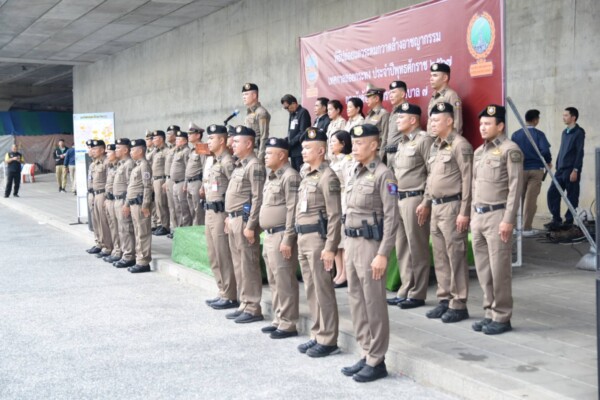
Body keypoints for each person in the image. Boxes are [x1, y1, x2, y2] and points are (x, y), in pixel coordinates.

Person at [341, 123, 398, 382]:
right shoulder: (355, 171)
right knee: (356, 300)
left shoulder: (384, 175)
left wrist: (383, 253)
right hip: (352, 243)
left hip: (370, 245)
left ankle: (377, 359)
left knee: (374, 302)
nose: (355, 147)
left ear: (374, 145)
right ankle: (365, 351)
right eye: (353, 143)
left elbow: (392, 217)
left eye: (360, 143)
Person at [471, 105, 523, 335]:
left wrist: (508, 220)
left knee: (499, 270)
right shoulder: (479, 152)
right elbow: (474, 186)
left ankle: (502, 316)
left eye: (488, 124)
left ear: (500, 126)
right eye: (481, 124)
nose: (482, 127)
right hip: (479, 216)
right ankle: (489, 312)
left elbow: (515, 187)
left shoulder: (510, 150)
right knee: (484, 270)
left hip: (498, 216)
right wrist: (473, 215)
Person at [419, 102, 473, 322]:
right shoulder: (436, 146)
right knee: (440, 255)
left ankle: (458, 303)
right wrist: (426, 201)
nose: (431, 124)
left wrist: (464, 211)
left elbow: (468, 179)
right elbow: (431, 177)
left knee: (455, 255)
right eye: (431, 120)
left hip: (453, 206)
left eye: (436, 120)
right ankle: (444, 299)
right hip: (436, 206)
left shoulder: (460, 145)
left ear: (449, 121)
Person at [295, 127, 342, 358]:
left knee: (323, 290)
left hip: (317, 239)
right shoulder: (307, 175)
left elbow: (335, 215)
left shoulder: (327, 176)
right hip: (303, 238)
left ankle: (329, 338)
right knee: (311, 289)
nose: (303, 151)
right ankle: (317, 332)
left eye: (308, 148)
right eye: (303, 147)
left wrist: (330, 247)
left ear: (321, 151)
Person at [388, 104, 434, 309]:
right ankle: (405, 289)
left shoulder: (424, 140)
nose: (397, 121)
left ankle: (418, 293)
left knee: (417, 247)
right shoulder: (402, 142)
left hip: (415, 198)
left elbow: (432, 172)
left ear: (413, 120)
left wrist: (426, 201)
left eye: (401, 117)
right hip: (399, 198)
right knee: (402, 247)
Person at [259, 137, 301, 339]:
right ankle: (279, 318)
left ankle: (288, 322)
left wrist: (288, 238)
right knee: (274, 280)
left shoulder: (290, 176)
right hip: (269, 235)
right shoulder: (272, 176)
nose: (265, 156)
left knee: (285, 280)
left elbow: (293, 209)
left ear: (282, 155)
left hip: (281, 234)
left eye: (269, 153)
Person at [224, 125, 266, 324]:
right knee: (239, 264)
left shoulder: (254, 165)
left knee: (248, 264)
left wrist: (250, 225)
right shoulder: (240, 165)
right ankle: (244, 302)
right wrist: (228, 216)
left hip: (244, 220)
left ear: (249, 143)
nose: (232, 144)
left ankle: (253, 307)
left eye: (236, 141)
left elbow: (257, 198)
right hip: (234, 219)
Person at [202, 124, 239, 310]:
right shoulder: (215, 161)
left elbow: (237, 189)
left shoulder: (227, 162)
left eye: (211, 138)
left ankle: (230, 294)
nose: (208, 141)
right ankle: (222, 290)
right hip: (209, 211)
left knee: (223, 254)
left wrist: (230, 215)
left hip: (221, 213)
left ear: (222, 140)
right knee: (214, 254)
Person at [511, 109, 552, 236]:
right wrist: (548, 161)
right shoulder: (539, 134)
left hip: (520, 169)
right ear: (535, 120)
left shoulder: (516, 135)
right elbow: (545, 150)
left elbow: (512, 152)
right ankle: (526, 228)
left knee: (517, 198)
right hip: (536, 169)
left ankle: (513, 227)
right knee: (530, 200)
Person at [546, 107, 585, 230]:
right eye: (563, 115)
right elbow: (562, 149)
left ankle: (569, 221)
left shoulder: (579, 132)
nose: (563, 117)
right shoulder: (564, 132)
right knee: (552, 193)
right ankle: (556, 219)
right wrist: (558, 165)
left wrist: (576, 170)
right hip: (561, 169)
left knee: (572, 196)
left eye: (566, 115)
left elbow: (579, 152)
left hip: (571, 170)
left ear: (573, 117)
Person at [328, 130, 353, 288]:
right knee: (336, 239)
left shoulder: (347, 161)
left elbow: (349, 183)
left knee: (343, 240)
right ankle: (338, 272)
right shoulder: (333, 161)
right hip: (333, 201)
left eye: (334, 142)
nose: (331, 144)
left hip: (343, 200)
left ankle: (345, 274)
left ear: (343, 144)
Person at [125, 138, 153, 273]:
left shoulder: (144, 165)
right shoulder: (137, 165)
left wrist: (145, 205)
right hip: (134, 204)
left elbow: (147, 186)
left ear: (140, 151)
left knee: (143, 233)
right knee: (137, 232)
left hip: (140, 204)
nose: (130, 152)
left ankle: (144, 262)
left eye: (133, 150)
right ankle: (139, 259)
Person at [113, 138, 137, 269]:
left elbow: (130, 186)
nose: (115, 150)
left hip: (124, 200)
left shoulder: (129, 164)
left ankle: (129, 256)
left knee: (126, 229)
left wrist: (127, 204)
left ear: (125, 150)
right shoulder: (121, 163)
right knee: (121, 229)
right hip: (118, 200)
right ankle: (125, 253)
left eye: (118, 148)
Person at [89, 140, 113, 259]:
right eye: (91, 149)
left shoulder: (107, 162)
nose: (92, 151)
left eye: (95, 149)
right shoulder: (94, 163)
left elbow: (109, 180)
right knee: (96, 221)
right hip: (94, 193)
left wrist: (107, 197)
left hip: (103, 194)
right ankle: (100, 242)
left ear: (102, 150)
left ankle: (108, 246)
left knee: (104, 222)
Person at [427, 63, 463, 135]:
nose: (431, 79)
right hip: (432, 140)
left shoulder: (451, 95)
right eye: (431, 75)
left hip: (444, 140)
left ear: (445, 78)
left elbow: (457, 122)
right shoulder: (433, 97)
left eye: (435, 75)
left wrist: (450, 141)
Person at [102, 144, 122, 264]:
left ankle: (119, 251)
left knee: (119, 227)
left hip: (117, 199)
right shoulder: (111, 166)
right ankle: (115, 249)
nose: (107, 154)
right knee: (113, 226)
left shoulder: (120, 166)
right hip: (109, 199)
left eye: (109, 152)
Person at [282, 94, 311, 171]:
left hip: (300, 150)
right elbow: (290, 132)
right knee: (294, 172)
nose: (287, 110)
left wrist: (290, 143)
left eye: (287, 107)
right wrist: (285, 141)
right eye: (285, 108)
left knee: (301, 172)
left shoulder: (303, 112)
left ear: (294, 103)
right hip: (293, 151)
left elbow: (303, 132)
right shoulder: (292, 114)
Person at [242, 83, 271, 162]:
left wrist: (260, 157)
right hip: (248, 152)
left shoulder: (261, 112)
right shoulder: (249, 113)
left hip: (256, 152)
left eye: (246, 94)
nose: (243, 97)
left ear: (254, 95)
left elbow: (264, 136)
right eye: (243, 95)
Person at [383, 80, 408, 167]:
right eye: (390, 93)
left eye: (393, 92)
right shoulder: (393, 111)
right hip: (389, 153)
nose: (390, 96)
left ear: (402, 94)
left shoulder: (407, 111)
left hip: (400, 153)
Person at [185, 123, 206, 226]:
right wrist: (186, 184)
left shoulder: (201, 147)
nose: (188, 136)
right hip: (190, 183)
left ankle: (200, 231)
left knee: (199, 211)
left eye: (191, 134)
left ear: (198, 135)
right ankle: (195, 230)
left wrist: (203, 186)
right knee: (192, 210)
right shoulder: (193, 149)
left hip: (197, 182)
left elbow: (205, 167)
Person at [149, 130, 170, 236]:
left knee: (162, 203)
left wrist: (166, 180)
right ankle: (159, 223)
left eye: (155, 138)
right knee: (157, 203)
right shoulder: (155, 151)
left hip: (162, 179)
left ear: (161, 139)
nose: (153, 140)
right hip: (154, 179)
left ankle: (165, 225)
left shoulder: (166, 151)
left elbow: (168, 166)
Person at [171, 131, 192, 227]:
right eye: (176, 139)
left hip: (182, 182)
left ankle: (186, 228)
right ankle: (180, 228)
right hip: (175, 183)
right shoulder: (178, 151)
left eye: (179, 139)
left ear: (185, 141)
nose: (176, 141)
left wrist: (186, 184)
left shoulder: (186, 151)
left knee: (184, 208)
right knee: (177, 208)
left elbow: (188, 168)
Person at [363, 86, 390, 160]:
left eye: (369, 97)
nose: (367, 100)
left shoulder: (384, 114)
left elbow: (385, 137)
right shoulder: (368, 115)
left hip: (377, 153)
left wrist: (381, 156)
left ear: (376, 99)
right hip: (367, 152)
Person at [163, 125, 179, 238]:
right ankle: (174, 228)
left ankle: (178, 229)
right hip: (168, 178)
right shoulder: (170, 149)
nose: (167, 136)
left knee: (177, 206)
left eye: (170, 134)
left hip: (175, 179)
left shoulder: (178, 149)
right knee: (171, 206)